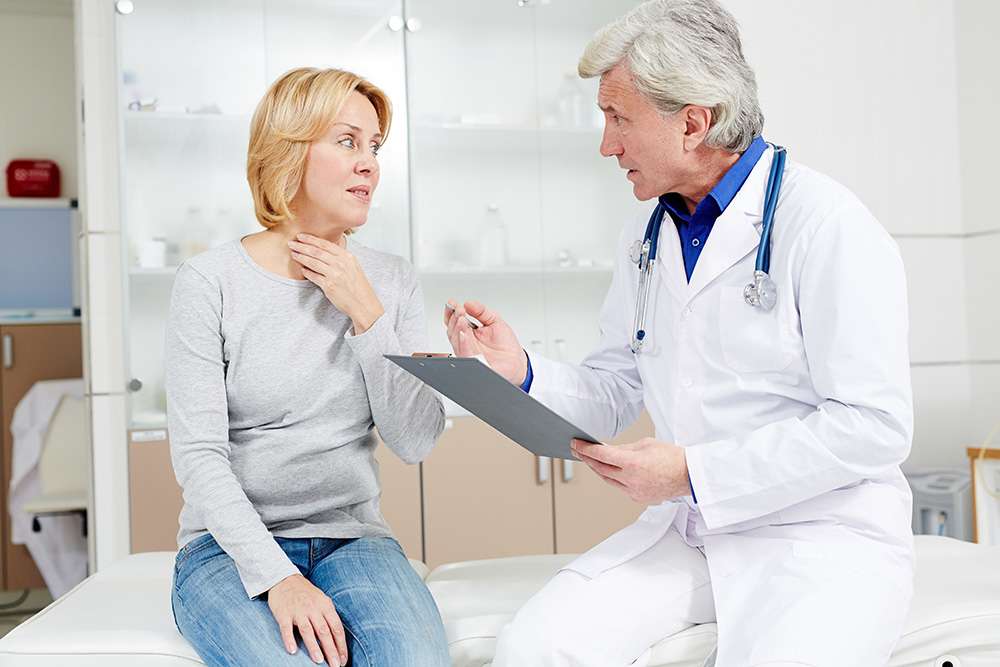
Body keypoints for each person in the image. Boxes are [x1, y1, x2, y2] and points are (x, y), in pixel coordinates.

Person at [443, 1, 914, 665]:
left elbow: (874, 426)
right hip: (692, 530)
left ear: (695, 123)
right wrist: (519, 367)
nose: (607, 145)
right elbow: (612, 392)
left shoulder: (827, 225)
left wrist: (693, 470)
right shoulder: (646, 235)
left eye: (618, 119)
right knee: (534, 647)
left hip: (822, 534)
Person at [166, 67, 450, 667]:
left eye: (374, 146)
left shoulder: (392, 280)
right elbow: (199, 458)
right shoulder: (209, 283)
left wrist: (367, 313)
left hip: (355, 540)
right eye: (347, 141)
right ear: (288, 152)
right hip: (227, 550)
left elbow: (416, 440)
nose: (370, 163)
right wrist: (279, 579)